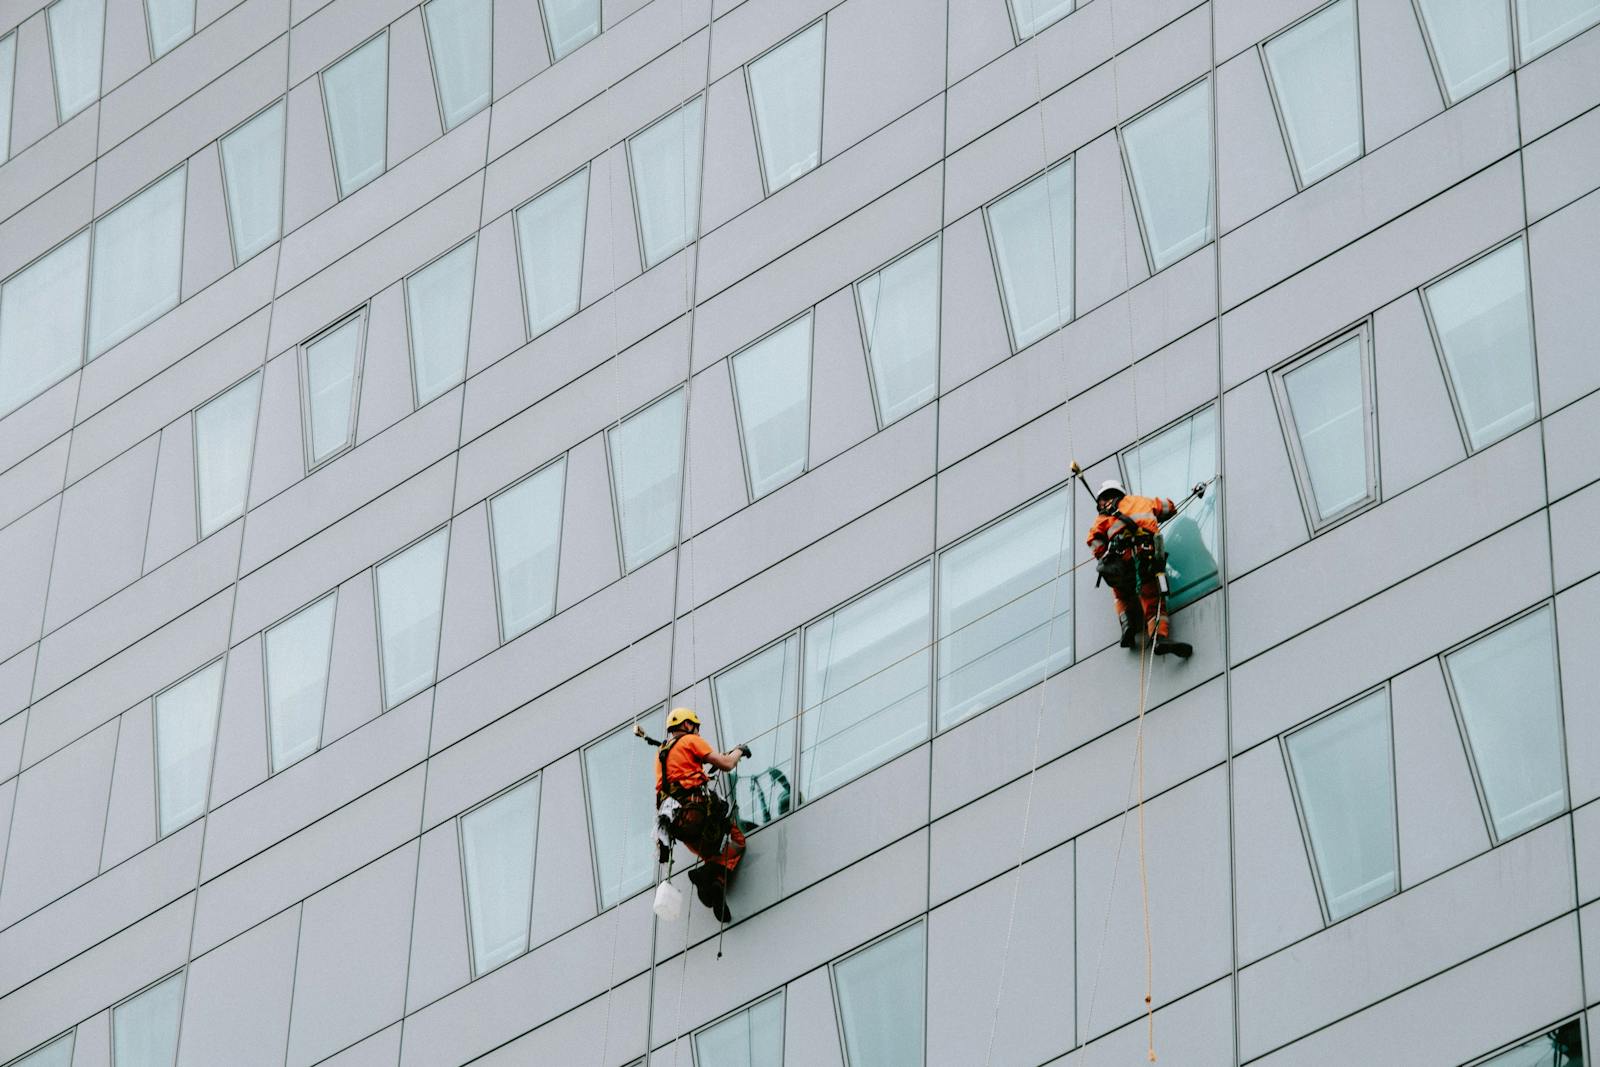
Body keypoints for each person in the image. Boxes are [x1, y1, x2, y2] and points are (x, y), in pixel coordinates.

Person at [654, 707, 751, 922]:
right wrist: (739, 751)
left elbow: (677, 779)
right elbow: (726, 764)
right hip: (696, 813)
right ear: (687, 725)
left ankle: (715, 886)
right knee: (737, 840)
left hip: (678, 827)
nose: (697, 732)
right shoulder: (690, 741)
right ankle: (708, 876)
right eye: (695, 727)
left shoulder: (661, 754)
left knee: (712, 856)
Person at [1085, 480, 1193, 658]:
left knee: (1120, 594)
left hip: (1121, 564)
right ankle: (1159, 638)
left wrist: (1104, 552)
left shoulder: (1102, 518)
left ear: (1104, 498)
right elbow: (1168, 507)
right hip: (1145, 558)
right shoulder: (1141, 502)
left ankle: (1127, 626)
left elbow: (1094, 542)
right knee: (1152, 599)